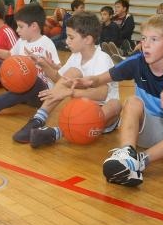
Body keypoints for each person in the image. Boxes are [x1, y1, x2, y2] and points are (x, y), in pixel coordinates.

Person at [73, 14, 163, 186]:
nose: (146, 44)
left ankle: (139, 161)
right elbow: (100, 79)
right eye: (143, 38)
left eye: (154, 39)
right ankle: (127, 153)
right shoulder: (137, 62)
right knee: (132, 101)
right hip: (142, 130)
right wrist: (85, 82)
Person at [13, 11, 121, 148]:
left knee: (115, 105)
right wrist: (44, 65)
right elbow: (59, 79)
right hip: (79, 108)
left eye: (71, 37)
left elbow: (102, 94)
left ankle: (58, 132)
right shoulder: (76, 56)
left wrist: (71, 93)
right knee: (73, 71)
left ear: (87, 39)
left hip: (103, 113)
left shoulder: (102, 58)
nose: (66, 41)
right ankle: (39, 118)